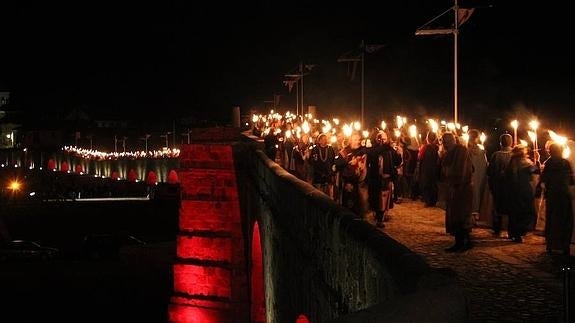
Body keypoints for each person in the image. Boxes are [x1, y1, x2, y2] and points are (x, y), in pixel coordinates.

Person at [440, 132, 474, 252]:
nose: (444, 144)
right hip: (453, 188)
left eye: (446, 141)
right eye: (443, 142)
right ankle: (463, 242)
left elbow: (463, 169)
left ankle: (463, 242)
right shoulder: (448, 153)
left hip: (461, 189)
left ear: (452, 141)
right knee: (455, 216)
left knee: (461, 216)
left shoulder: (461, 151)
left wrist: (457, 184)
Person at [540, 142, 574, 255]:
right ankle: (565, 245)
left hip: (552, 195)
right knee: (565, 220)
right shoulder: (565, 162)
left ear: (551, 151)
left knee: (552, 220)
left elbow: (544, 178)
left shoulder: (549, 163)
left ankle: (551, 245)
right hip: (564, 195)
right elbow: (572, 180)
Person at [504, 144, 540, 243]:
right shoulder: (526, 162)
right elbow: (536, 170)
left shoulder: (511, 162)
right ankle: (519, 233)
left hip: (513, 190)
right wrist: (537, 159)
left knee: (514, 212)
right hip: (524, 190)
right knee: (525, 211)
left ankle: (513, 233)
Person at [366, 129, 401, 227]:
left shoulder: (390, 149)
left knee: (384, 199)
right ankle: (378, 215)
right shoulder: (374, 149)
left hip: (387, 177)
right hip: (376, 178)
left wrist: (398, 154)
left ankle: (381, 216)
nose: (383, 139)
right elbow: (373, 155)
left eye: (384, 137)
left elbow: (397, 162)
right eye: (380, 137)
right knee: (377, 198)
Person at [487, 134, 513, 236]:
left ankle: (497, 229)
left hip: (498, 186)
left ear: (500, 142)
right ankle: (510, 229)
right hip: (510, 186)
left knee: (498, 208)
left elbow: (489, 171)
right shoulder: (514, 155)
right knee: (510, 207)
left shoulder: (496, 155)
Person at [467, 129, 488, 221]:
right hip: (474, 176)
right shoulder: (467, 149)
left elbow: (484, 163)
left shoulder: (480, 149)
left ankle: (473, 212)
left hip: (477, 175)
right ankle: (474, 212)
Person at [310, 133, 337, 199]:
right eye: (323, 139)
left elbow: (334, 160)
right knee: (319, 195)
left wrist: (333, 170)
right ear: (319, 141)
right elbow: (312, 161)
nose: (325, 140)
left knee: (330, 195)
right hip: (318, 175)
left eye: (326, 139)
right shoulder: (315, 149)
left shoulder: (330, 149)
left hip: (329, 174)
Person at [418, 131, 440, 207]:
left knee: (426, 185)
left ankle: (428, 201)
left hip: (426, 169)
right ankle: (433, 201)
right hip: (434, 169)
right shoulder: (437, 147)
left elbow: (420, 157)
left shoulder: (426, 147)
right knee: (433, 185)